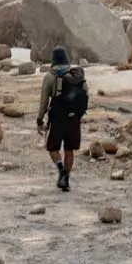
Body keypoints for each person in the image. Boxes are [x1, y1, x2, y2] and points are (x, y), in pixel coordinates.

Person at [36, 46, 89, 191]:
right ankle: (66, 179)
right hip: (74, 118)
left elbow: (44, 100)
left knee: (52, 148)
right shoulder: (76, 75)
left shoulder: (50, 76)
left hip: (58, 118)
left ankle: (61, 170)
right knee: (69, 149)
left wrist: (40, 119)